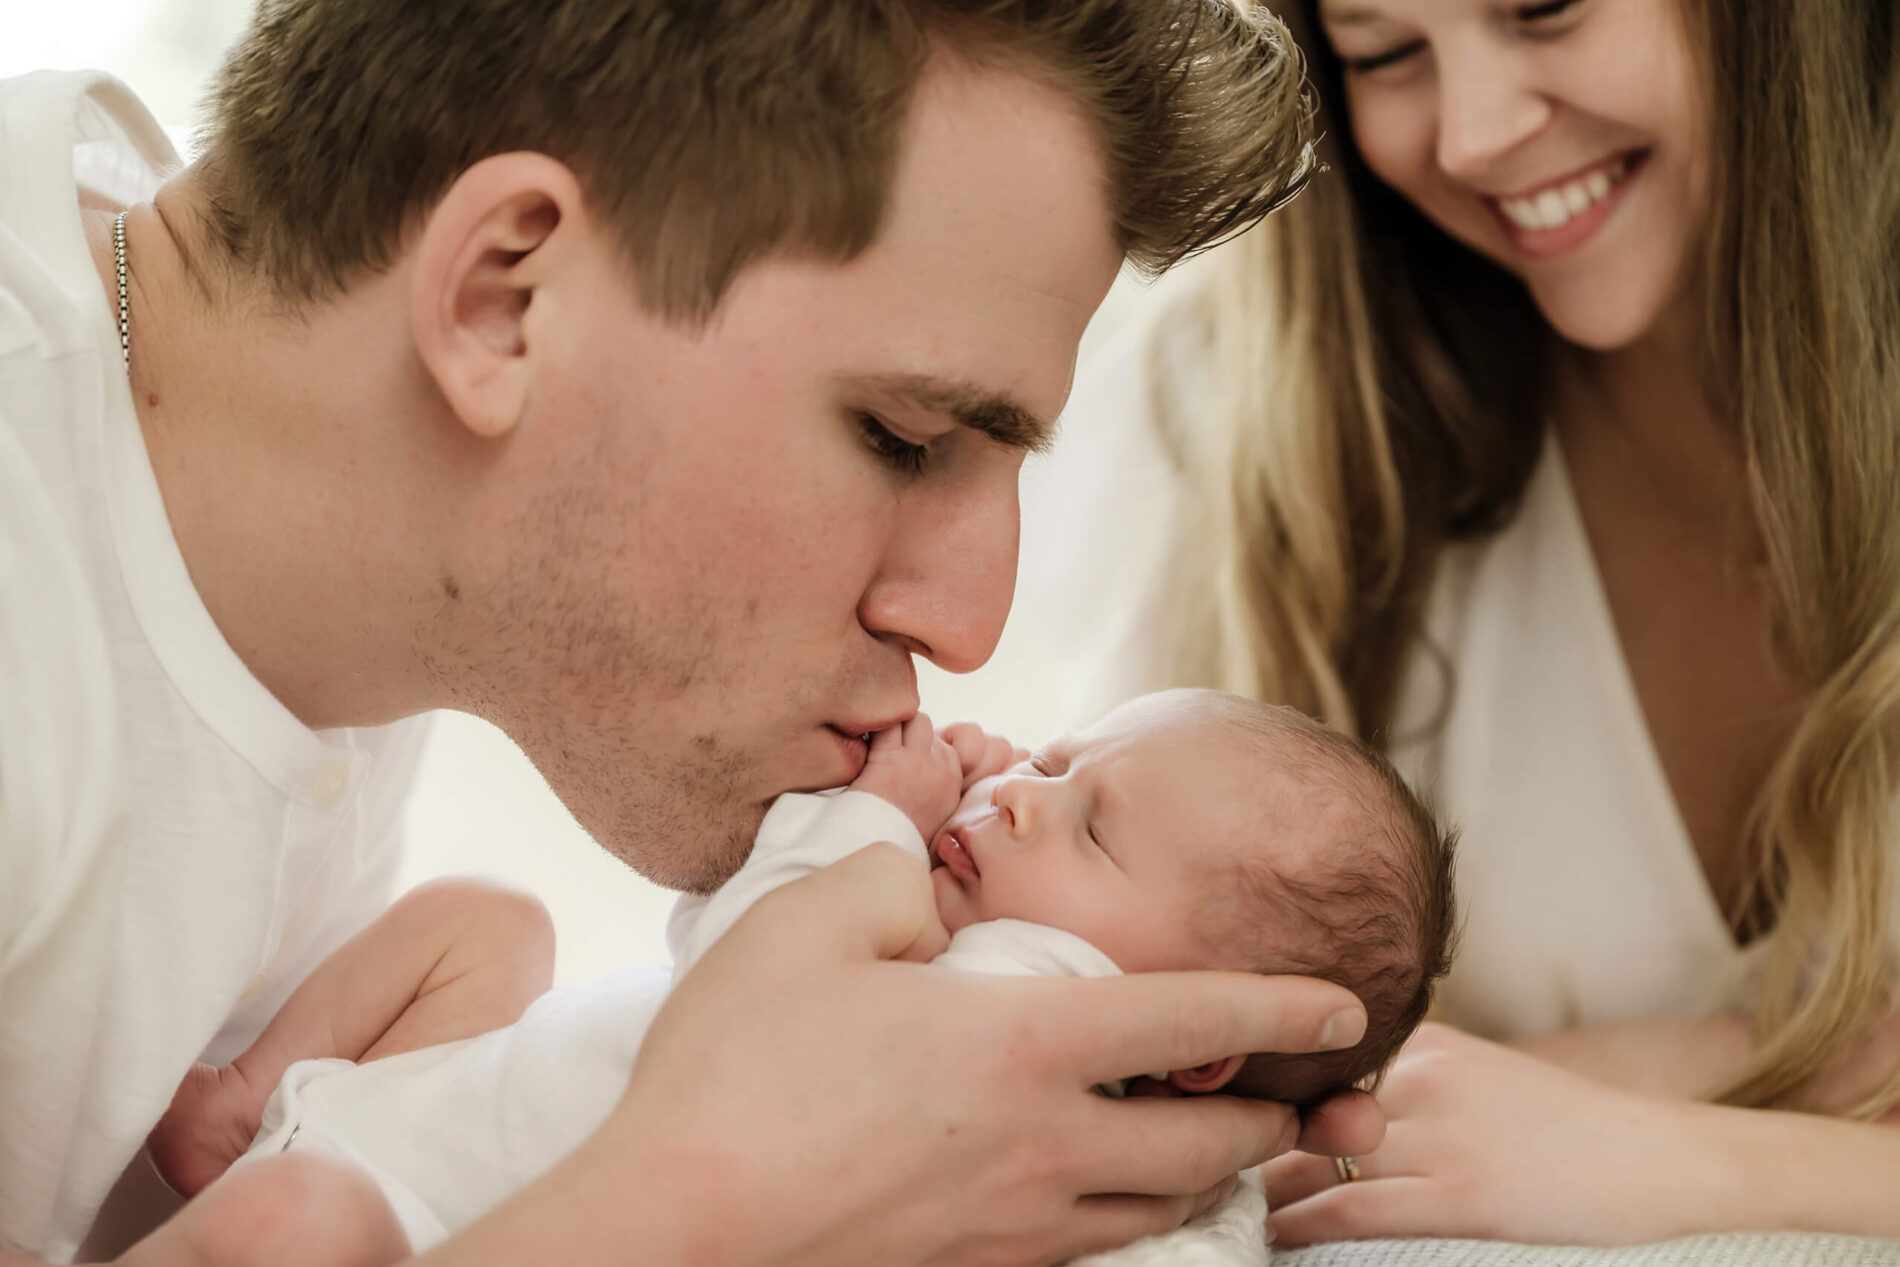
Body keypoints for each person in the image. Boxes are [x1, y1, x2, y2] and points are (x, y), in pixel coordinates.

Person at [0, 2, 1390, 1264]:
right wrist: (706, 1189)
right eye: (904, 437)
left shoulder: (323, 579)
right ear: (503, 299)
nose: (967, 626)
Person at [1043, 0, 1900, 1247]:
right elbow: (1097, 1057)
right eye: (1384, 55)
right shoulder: (1228, 428)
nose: (1477, 137)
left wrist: (1689, 1153)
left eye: (1543, 9)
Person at [141, 692, 1455, 1255]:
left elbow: (746, 960)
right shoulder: (977, 989)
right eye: (1050, 760)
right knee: (495, 921)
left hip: (402, 1207)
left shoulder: (1036, 1011)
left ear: (1199, 1036)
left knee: (294, 1218)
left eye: (1091, 822)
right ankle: (246, 1097)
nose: (1023, 798)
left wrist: (878, 814)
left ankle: (254, 1119)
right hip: (426, 1134)